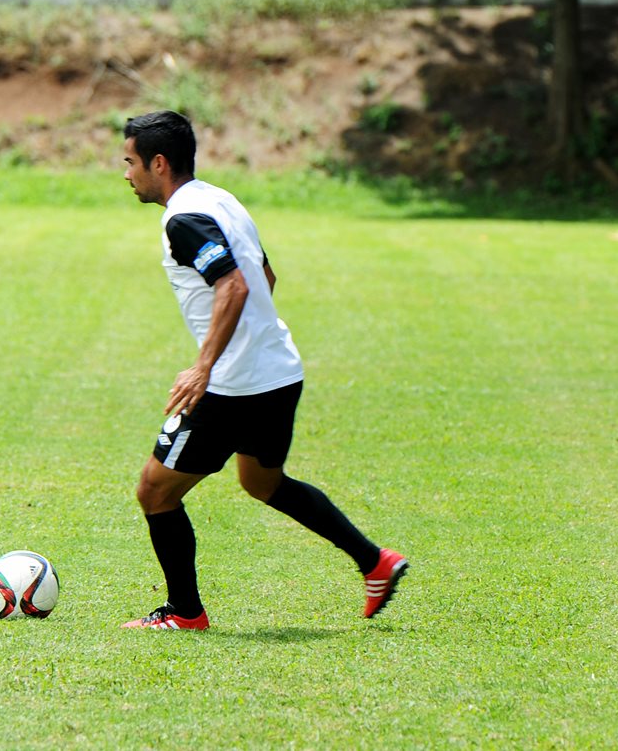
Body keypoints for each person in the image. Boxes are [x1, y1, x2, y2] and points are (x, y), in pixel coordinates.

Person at [119, 110, 407, 631]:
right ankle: (375, 562)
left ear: (158, 163)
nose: (126, 174)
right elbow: (266, 274)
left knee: (154, 491)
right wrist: (249, 345)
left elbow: (235, 285)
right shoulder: (221, 199)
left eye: (130, 161)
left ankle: (185, 613)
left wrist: (208, 365)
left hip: (234, 386)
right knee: (262, 482)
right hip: (278, 372)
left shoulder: (182, 220)